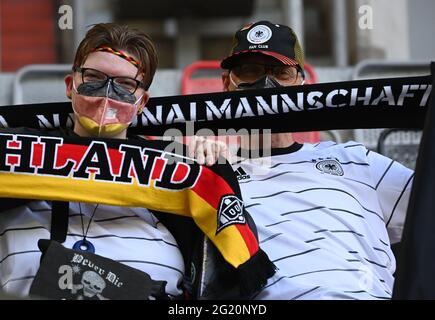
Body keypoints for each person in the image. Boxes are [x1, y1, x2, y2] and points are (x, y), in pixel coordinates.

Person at [0, 23, 257, 300]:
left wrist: (202, 157)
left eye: (125, 84)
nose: (107, 93)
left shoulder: (178, 168)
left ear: (142, 101)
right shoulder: (16, 154)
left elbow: (227, 273)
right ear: (70, 86)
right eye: (94, 77)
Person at [216, 20, 414, 299]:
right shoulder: (211, 175)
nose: (265, 84)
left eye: (281, 73)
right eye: (250, 71)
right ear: (227, 84)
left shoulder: (355, 160)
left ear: (301, 83)